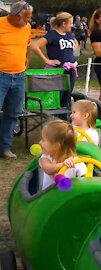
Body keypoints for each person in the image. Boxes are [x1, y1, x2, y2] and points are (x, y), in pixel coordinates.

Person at [0, 1, 33, 159]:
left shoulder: (26, 27)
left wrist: (26, 60)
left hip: (19, 76)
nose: (29, 21)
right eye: (26, 18)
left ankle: (5, 148)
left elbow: (27, 45)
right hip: (1, 76)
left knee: (12, 114)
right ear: (15, 16)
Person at [31, 12, 78, 108]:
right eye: (71, 23)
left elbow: (75, 42)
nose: (72, 25)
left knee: (67, 95)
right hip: (57, 70)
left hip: (70, 70)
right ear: (64, 24)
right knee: (57, 96)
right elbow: (35, 46)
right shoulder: (52, 34)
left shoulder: (69, 34)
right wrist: (46, 60)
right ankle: (56, 119)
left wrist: (71, 49)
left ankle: (65, 118)